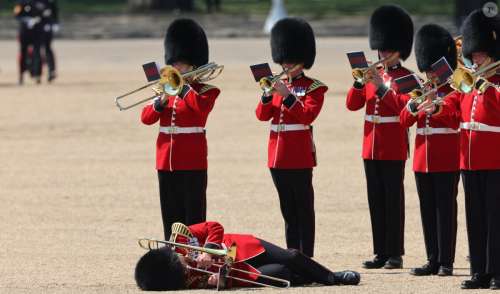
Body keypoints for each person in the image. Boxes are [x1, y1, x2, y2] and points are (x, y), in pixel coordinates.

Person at [433, 9, 500, 290]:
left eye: (480, 55)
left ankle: (498, 271)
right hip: (469, 159)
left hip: (495, 158)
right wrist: (435, 107)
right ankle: (479, 272)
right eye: (473, 55)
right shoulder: (469, 82)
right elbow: (454, 113)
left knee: (496, 218)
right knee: (475, 218)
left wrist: (487, 89)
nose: (475, 59)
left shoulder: (494, 85)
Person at [345, 4, 414, 269]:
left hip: (393, 145)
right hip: (370, 144)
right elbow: (352, 104)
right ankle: (381, 251)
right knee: (376, 199)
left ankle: (395, 253)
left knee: (392, 200)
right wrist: (360, 82)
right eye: (380, 49)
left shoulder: (408, 78)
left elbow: (402, 108)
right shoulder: (371, 74)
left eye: (387, 50)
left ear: (399, 51)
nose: (382, 53)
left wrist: (380, 86)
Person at [141, 19, 220, 241]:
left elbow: (200, 111)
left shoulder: (206, 91)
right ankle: (172, 258)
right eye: (175, 64)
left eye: (182, 65)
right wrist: (160, 101)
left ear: (193, 66)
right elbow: (146, 118)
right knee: (170, 215)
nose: (177, 68)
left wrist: (182, 87)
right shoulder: (165, 90)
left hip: (192, 161)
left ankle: (194, 262)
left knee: (193, 218)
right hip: (166, 160)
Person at [255, 17, 328, 258]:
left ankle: (306, 256)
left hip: (298, 155)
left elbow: (308, 115)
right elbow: (261, 116)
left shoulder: (313, 87)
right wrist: (267, 97)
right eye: (284, 60)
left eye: (291, 61)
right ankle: (292, 255)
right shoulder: (277, 84)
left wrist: (287, 97)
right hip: (277, 156)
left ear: (302, 61)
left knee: (303, 210)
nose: (286, 65)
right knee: (288, 210)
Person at [135, 221, 361, 290]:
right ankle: (309, 277)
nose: (187, 268)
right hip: (241, 270)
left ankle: (334, 277)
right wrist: (220, 281)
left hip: (244, 247)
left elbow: (214, 226)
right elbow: (220, 282)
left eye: (182, 264)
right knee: (282, 273)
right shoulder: (186, 279)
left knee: (291, 256)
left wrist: (210, 251)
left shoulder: (181, 238)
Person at [400, 24, 460, 276]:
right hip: (423, 160)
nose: (429, 74)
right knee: (427, 211)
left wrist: (436, 107)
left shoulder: (454, 91)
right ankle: (432, 258)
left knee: (445, 211)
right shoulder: (421, 90)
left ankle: (446, 260)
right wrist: (415, 107)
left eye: (432, 69)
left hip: (446, 159)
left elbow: (455, 117)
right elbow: (403, 120)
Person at [14, 0, 44, 84]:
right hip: (24, 33)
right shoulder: (21, 3)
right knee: (23, 54)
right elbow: (16, 15)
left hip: (36, 33)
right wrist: (26, 20)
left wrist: (37, 20)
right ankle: (21, 75)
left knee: (37, 53)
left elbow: (44, 14)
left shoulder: (39, 3)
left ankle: (37, 75)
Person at [40, 0, 59, 82]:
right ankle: (36, 72)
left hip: (47, 27)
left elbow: (54, 12)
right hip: (33, 29)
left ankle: (51, 70)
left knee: (47, 48)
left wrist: (55, 23)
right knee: (36, 50)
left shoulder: (50, 2)